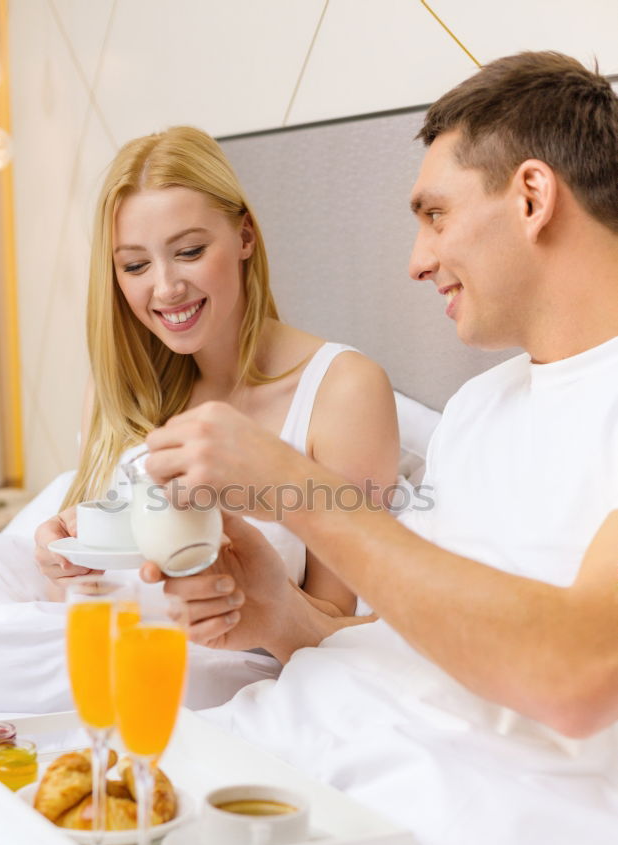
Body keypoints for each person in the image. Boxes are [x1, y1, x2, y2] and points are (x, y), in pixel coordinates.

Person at [141, 52, 618, 740]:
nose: (416, 261)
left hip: (436, 798)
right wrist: (278, 614)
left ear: (531, 198)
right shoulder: (480, 407)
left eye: (435, 215)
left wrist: (295, 490)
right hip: (309, 741)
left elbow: (577, 674)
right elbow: (403, 642)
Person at [33, 126, 399, 621]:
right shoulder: (118, 389)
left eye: (188, 252)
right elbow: (91, 595)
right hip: (115, 655)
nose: (165, 289)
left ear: (244, 236)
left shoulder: (344, 391)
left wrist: (245, 593)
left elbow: (339, 622)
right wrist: (67, 562)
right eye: (136, 265)